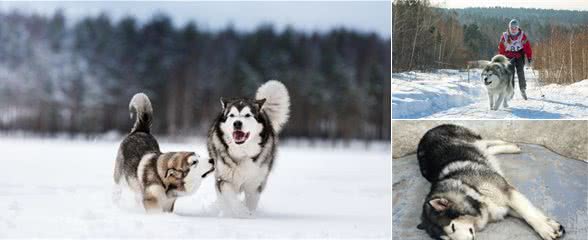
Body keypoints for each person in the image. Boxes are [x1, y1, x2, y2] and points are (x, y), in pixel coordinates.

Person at [498, 19, 532, 100]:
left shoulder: (522, 36)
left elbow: (527, 47)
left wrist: (529, 56)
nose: (513, 30)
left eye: (515, 28)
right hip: (509, 56)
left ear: (518, 28)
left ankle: (522, 89)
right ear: (509, 28)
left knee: (520, 72)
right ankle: (511, 91)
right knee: (511, 74)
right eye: (512, 28)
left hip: (519, 55)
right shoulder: (505, 36)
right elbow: (501, 48)